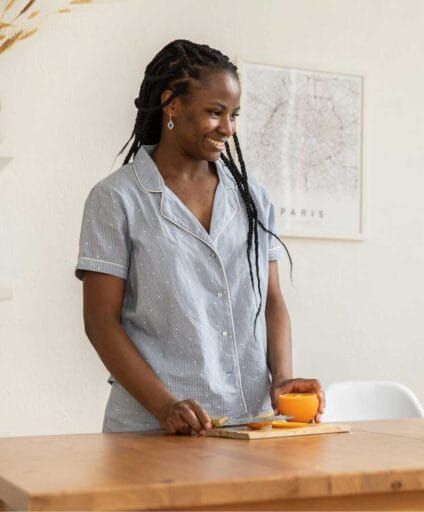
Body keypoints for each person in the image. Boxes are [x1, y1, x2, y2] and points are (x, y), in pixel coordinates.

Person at [76, 40, 323, 434]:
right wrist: (165, 406)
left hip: (250, 426)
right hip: (150, 430)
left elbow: (273, 301)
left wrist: (282, 379)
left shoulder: (252, 197)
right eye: (214, 112)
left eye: (233, 115)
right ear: (171, 103)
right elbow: (100, 321)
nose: (228, 128)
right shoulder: (116, 199)